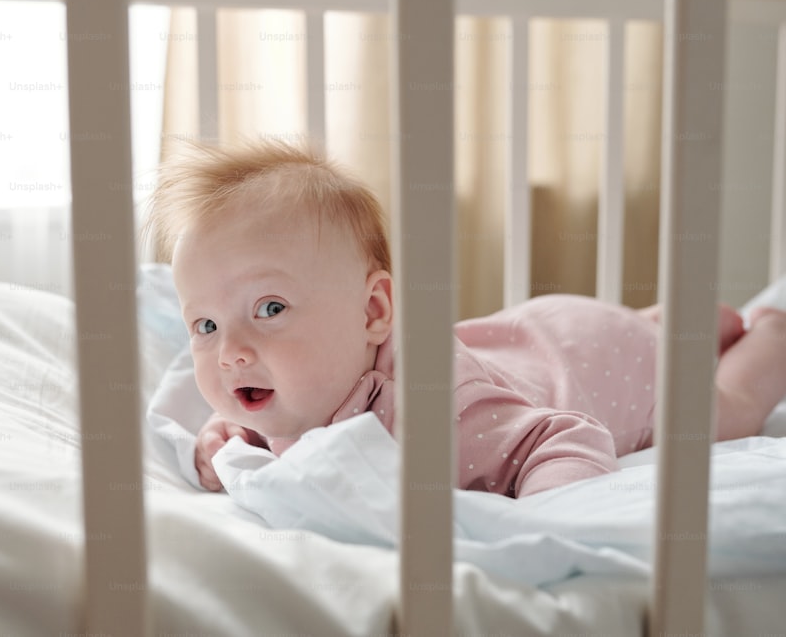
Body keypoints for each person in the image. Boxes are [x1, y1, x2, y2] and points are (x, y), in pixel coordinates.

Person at [144, 140, 786, 498]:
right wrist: (218, 443)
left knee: (725, 410)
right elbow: (253, 426)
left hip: (612, 368)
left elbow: (563, 437)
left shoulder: (433, 413)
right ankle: (671, 323)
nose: (229, 352)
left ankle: (768, 334)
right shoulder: (294, 384)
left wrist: (549, 517)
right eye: (205, 326)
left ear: (373, 312)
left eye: (270, 309)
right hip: (545, 332)